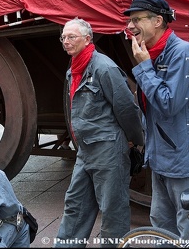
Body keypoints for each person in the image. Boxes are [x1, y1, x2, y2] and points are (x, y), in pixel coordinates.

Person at [54, 17, 144, 248]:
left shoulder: (104, 67)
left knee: (112, 209)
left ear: (87, 39)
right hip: (86, 149)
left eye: (71, 37)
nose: (66, 41)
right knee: (75, 203)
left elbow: (126, 108)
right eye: (63, 37)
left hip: (107, 149)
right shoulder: (74, 68)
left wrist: (134, 140)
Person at [124, 0, 189, 239]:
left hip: (185, 162)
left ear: (158, 21)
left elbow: (168, 104)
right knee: (162, 230)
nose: (130, 26)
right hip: (161, 160)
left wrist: (144, 67)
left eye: (137, 19)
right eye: (129, 20)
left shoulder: (183, 54)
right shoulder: (153, 54)